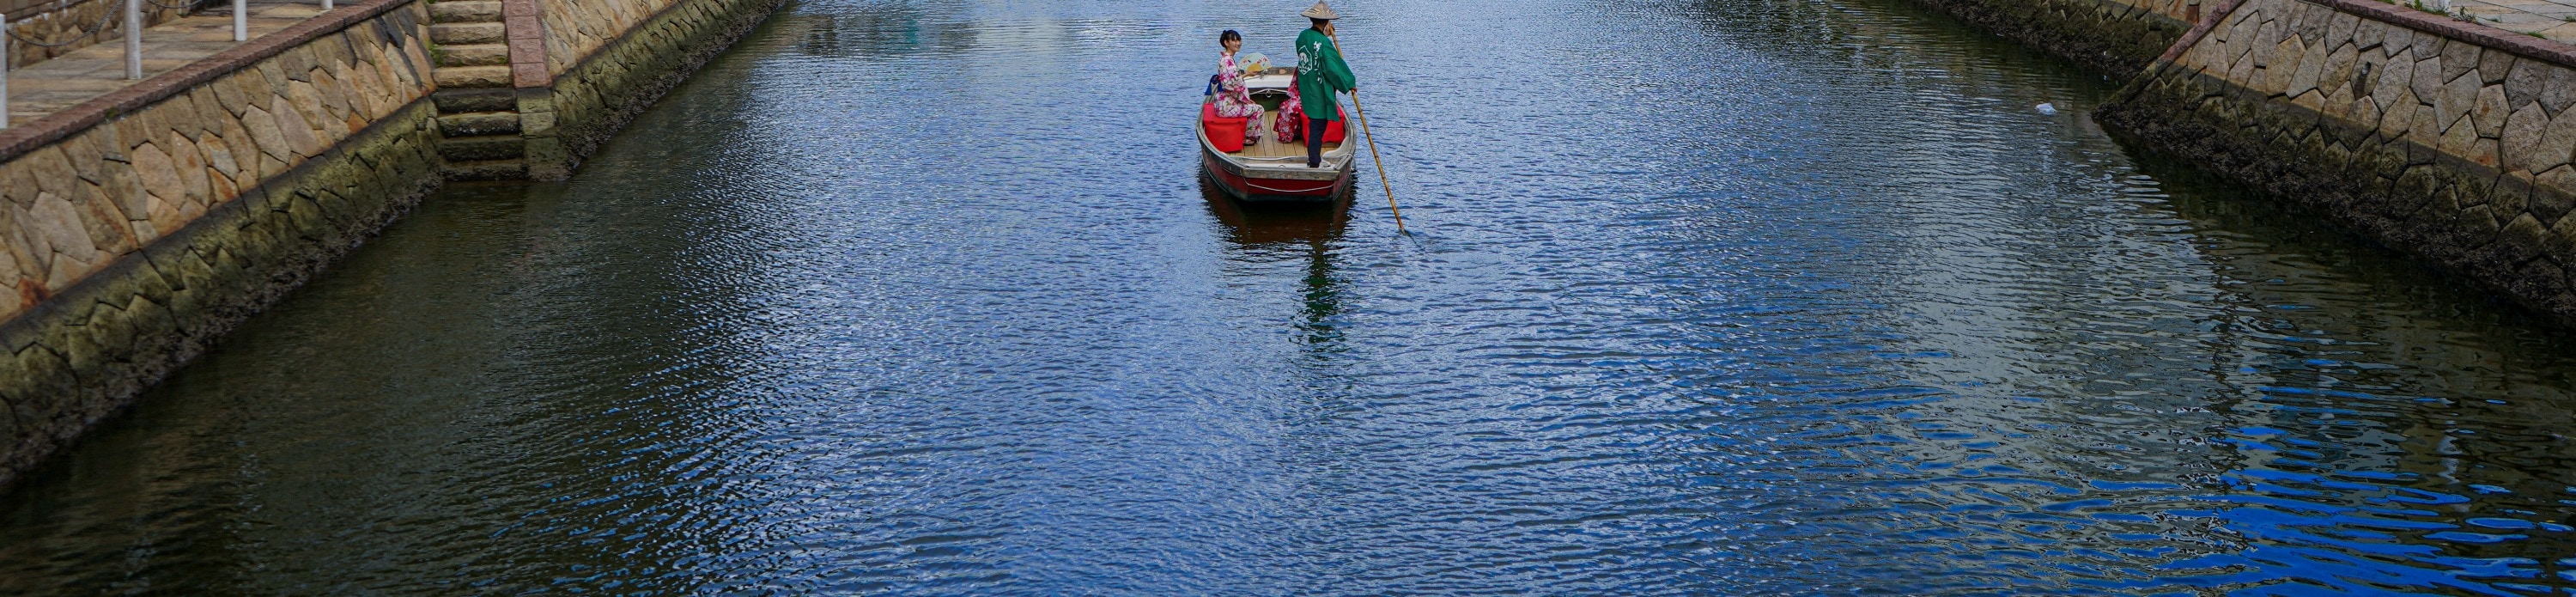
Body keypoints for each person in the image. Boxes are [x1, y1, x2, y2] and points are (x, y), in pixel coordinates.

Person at [1295, 2, 1355, 168]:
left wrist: (1324, 36)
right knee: (1317, 126)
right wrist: (1349, 83)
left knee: (1315, 121)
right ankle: (1314, 161)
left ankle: (1313, 159)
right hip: (1319, 89)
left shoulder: (1303, 36)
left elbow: (1313, 50)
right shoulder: (1324, 43)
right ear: (1327, 22)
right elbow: (1332, 67)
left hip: (1307, 85)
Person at [1212, 30, 1265, 145]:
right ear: (1226, 43)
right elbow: (1231, 85)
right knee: (1258, 109)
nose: (1238, 43)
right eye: (1234, 40)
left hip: (1222, 102)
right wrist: (1245, 100)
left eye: (1239, 40)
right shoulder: (1228, 62)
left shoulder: (1224, 59)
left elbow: (1233, 81)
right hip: (1226, 107)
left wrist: (1246, 74)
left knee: (1251, 105)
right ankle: (1248, 138)